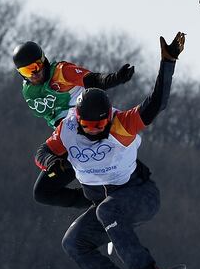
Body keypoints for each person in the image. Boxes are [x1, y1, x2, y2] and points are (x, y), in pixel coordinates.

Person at [34, 33, 185, 269]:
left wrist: (167, 64)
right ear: (78, 119)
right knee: (74, 242)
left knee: (107, 209)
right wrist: (51, 161)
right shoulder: (67, 129)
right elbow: (41, 151)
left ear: (108, 118)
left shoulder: (122, 123)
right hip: (106, 205)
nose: (93, 130)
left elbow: (156, 104)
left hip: (140, 196)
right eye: (87, 126)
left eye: (99, 125)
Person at [11, 41, 136, 209]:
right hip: (67, 140)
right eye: (27, 71)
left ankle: (116, 191)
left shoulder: (61, 72)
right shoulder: (28, 91)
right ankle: (96, 202)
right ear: (20, 73)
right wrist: (54, 159)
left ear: (44, 60)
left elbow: (93, 80)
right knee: (42, 193)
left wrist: (116, 78)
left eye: (37, 66)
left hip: (87, 130)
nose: (35, 73)